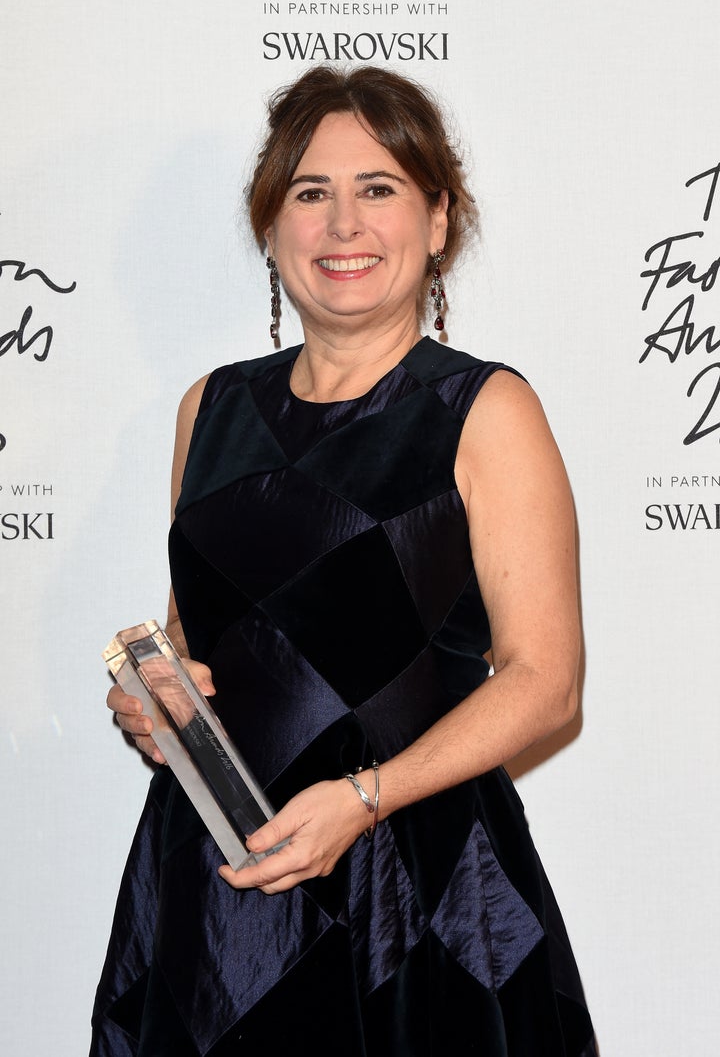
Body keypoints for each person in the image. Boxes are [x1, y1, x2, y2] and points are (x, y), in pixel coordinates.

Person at [92, 65, 598, 1056]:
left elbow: (547, 682)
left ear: (439, 219)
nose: (342, 225)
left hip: (417, 882)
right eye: (310, 193)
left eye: (379, 189)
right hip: (226, 875)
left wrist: (365, 800)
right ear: (271, 225)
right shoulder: (211, 407)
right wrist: (153, 698)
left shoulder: (486, 410)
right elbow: (195, 634)